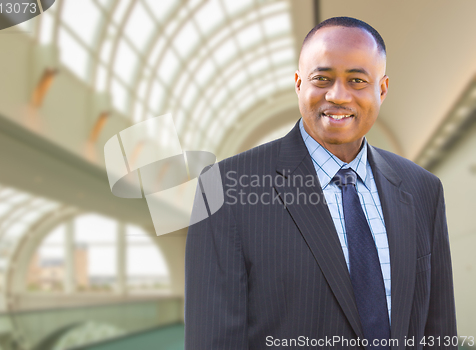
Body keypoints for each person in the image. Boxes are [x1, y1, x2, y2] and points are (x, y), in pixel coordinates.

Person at [184, 17, 457, 349]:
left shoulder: (423, 189)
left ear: (381, 89)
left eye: (357, 80)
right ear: (299, 84)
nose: (338, 95)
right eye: (322, 78)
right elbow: (212, 340)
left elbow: (438, 329)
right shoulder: (223, 188)